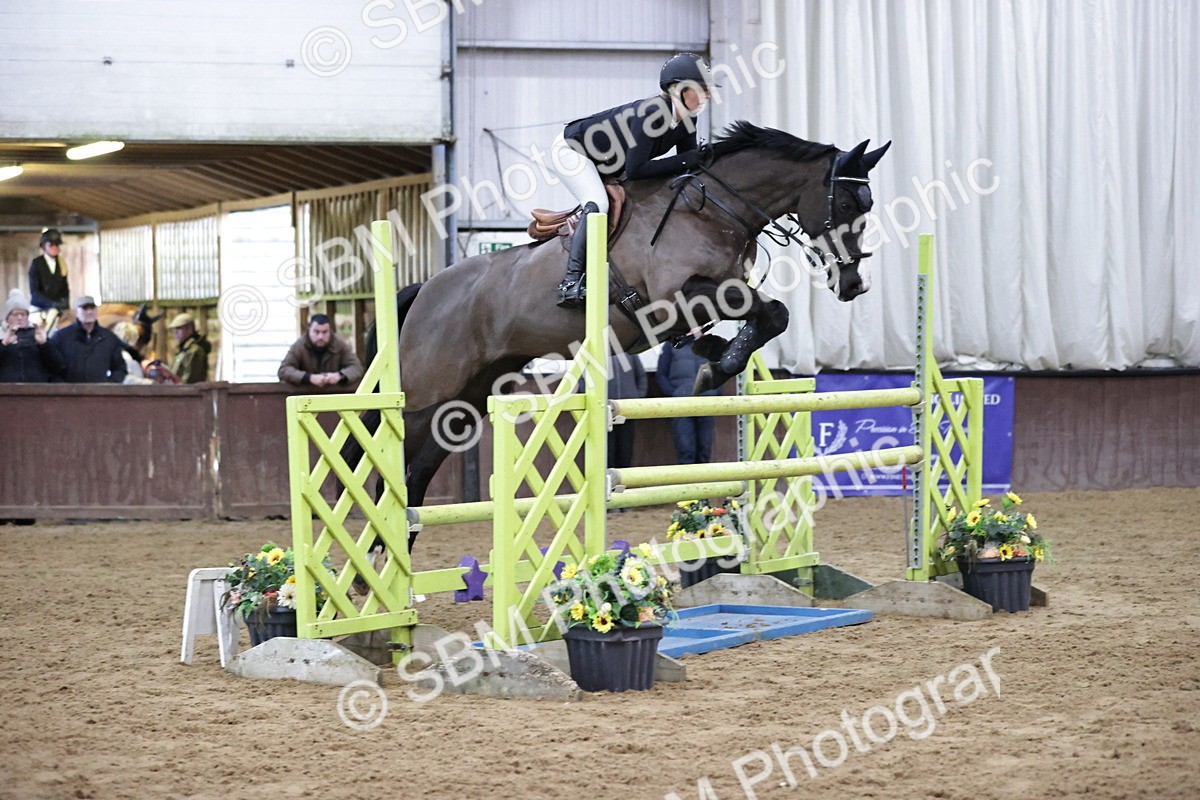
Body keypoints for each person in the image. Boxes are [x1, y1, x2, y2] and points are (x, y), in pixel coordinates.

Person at [551, 52, 717, 308]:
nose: (707, 95)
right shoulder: (652, 112)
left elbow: (686, 164)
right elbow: (638, 169)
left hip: (609, 162)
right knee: (598, 203)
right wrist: (691, 160)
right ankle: (570, 281)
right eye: (702, 89)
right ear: (678, 89)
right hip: (572, 151)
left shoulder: (688, 118)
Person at [656, 343, 718, 465]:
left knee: (704, 449)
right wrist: (674, 393)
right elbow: (661, 374)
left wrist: (714, 391)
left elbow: (720, 370)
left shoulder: (711, 343)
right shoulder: (670, 346)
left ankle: (704, 483)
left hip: (707, 403)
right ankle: (688, 483)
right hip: (681, 404)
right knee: (685, 449)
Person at [50, 295, 126, 383]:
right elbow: (52, 366)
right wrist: (63, 388)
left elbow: (120, 367)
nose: (89, 312)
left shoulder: (108, 337)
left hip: (99, 394)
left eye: (92, 308)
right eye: (84, 308)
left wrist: (110, 385)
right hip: (70, 394)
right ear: (76, 312)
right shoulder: (61, 337)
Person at [278, 313, 364, 388]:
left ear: (330, 331)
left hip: (333, 395)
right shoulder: (299, 346)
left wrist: (340, 376)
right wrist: (309, 378)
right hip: (305, 396)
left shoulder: (339, 344)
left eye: (325, 332)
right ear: (309, 331)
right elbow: (284, 370)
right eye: (316, 332)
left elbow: (357, 368)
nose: (320, 337)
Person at [607, 354, 648, 507]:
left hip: (627, 413)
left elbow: (641, 377)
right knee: (607, 456)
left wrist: (636, 399)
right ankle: (609, 499)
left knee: (625, 455)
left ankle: (623, 499)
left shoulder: (630, 354)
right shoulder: (596, 351)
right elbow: (583, 380)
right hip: (604, 414)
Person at [0, 290, 64, 383]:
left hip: (36, 392)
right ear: (7, 317)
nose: (20, 318)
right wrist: (4, 344)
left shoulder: (38, 335)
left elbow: (58, 366)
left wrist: (44, 344)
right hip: (6, 393)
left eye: (23, 314)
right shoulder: (1, 336)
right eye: (15, 314)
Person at [28, 228, 71, 325]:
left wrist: (65, 303)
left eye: (57, 245)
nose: (55, 247)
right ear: (44, 246)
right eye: (51, 245)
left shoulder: (62, 264)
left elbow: (65, 288)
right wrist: (50, 303)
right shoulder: (36, 264)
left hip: (57, 308)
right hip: (39, 308)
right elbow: (34, 291)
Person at [167, 313, 212, 384]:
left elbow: (190, 382)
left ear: (189, 329)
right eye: (175, 329)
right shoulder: (183, 350)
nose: (175, 332)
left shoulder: (194, 350)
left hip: (189, 393)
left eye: (179, 328)